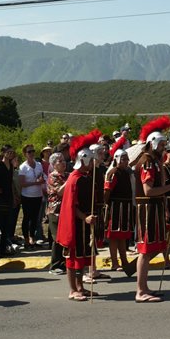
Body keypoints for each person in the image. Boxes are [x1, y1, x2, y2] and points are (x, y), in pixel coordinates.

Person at [135, 116, 170, 302]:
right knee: (145, 251)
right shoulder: (147, 161)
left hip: (156, 208)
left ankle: (144, 287)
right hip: (148, 211)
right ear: (153, 144)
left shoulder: (154, 161)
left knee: (152, 248)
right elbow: (148, 190)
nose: (164, 147)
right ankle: (140, 291)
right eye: (162, 144)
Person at [56, 129, 102, 302]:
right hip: (75, 225)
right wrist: (85, 217)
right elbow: (71, 206)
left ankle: (81, 287)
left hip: (84, 224)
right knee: (72, 259)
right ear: (84, 160)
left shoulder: (86, 176)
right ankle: (73, 290)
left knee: (82, 258)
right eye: (90, 161)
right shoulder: (74, 179)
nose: (92, 164)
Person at [103, 149, 134, 271]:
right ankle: (115, 262)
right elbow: (107, 191)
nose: (126, 161)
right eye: (123, 159)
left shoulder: (126, 172)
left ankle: (124, 260)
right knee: (114, 236)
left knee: (122, 236)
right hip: (115, 208)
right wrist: (106, 205)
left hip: (125, 207)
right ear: (116, 159)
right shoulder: (113, 173)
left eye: (127, 159)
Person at [19, 144, 45, 249]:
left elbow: (41, 176)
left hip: (38, 195)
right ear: (25, 154)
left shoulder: (39, 164)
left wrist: (41, 180)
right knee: (27, 218)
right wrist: (36, 182)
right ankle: (26, 240)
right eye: (29, 152)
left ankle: (32, 238)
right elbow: (22, 183)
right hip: (27, 196)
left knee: (35, 218)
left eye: (33, 151)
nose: (32, 153)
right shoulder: (23, 166)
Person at [0, 145, 17, 258]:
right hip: (0, 197)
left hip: (8, 197)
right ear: (3, 152)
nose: (10, 154)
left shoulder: (11, 166)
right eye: (8, 152)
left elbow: (11, 182)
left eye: (12, 152)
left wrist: (13, 196)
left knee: (7, 224)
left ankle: (3, 248)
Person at [46, 152, 67, 275]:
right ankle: (54, 265)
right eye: (60, 161)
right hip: (55, 211)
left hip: (66, 210)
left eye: (63, 160)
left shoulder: (67, 175)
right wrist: (69, 181)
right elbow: (59, 191)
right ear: (54, 164)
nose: (63, 163)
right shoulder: (53, 177)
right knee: (57, 239)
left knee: (65, 238)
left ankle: (64, 263)